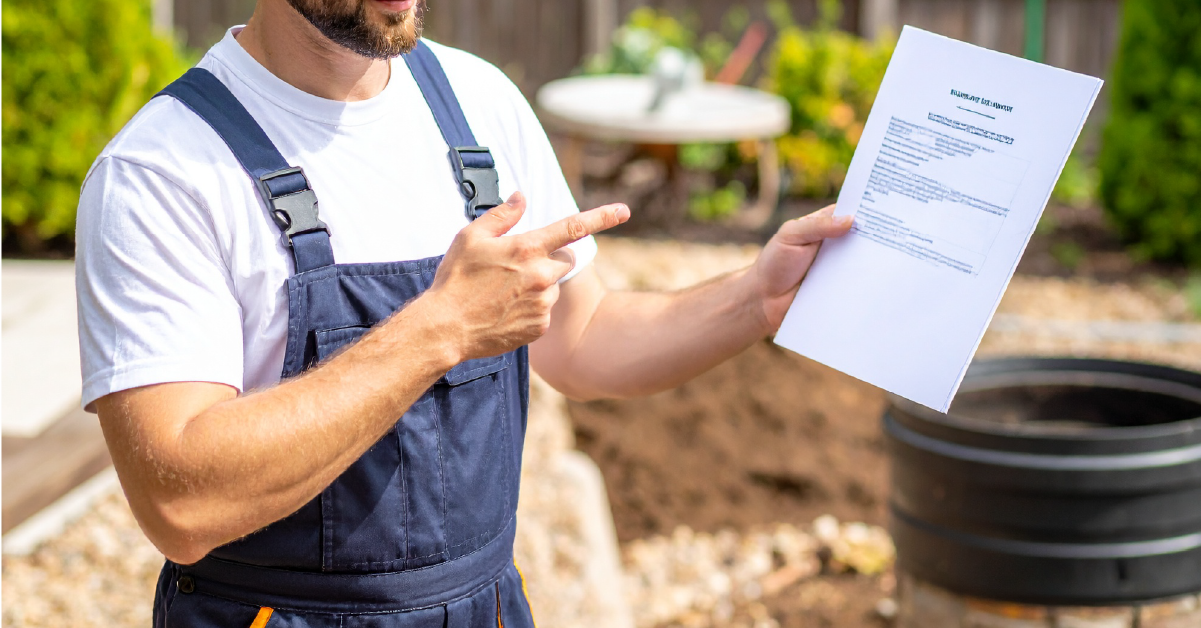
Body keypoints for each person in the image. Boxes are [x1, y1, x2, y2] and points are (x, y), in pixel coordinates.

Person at [75, 0, 852, 626]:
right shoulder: (160, 172)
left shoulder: (477, 102)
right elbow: (180, 501)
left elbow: (582, 341)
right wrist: (441, 327)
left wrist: (756, 296)